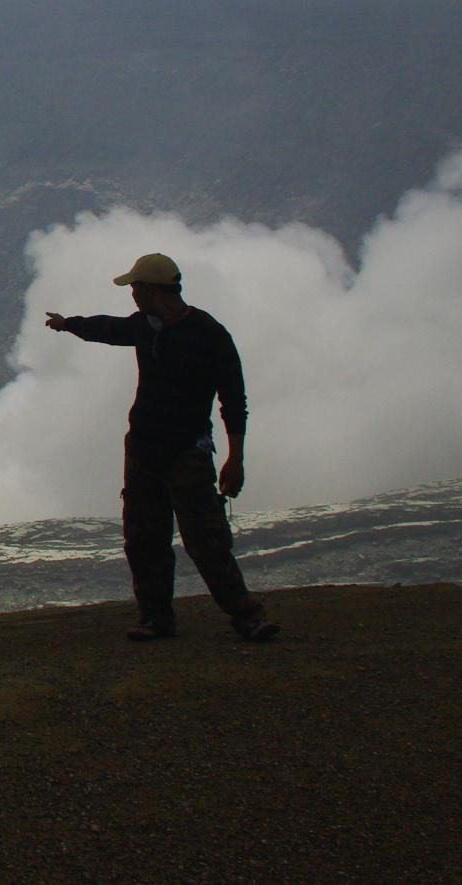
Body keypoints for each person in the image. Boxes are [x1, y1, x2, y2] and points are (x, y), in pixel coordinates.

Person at [44, 253, 279, 642]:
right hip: (143, 450)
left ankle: (246, 616)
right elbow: (108, 328)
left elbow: (233, 400)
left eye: (136, 287)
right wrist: (68, 325)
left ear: (153, 291)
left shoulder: (208, 334)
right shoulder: (146, 327)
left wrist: (235, 460)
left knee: (206, 538)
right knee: (144, 539)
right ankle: (156, 618)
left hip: (186, 452)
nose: (132, 294)